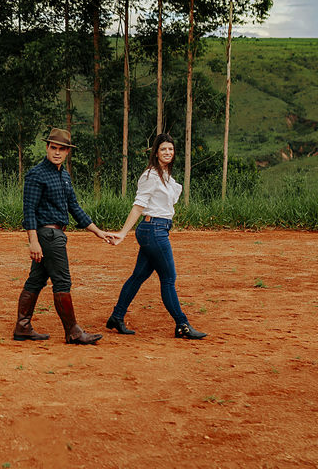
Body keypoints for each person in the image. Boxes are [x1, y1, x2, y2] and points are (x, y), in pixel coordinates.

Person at [15, 127, 113, 345]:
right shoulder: (36, 174)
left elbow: (74, 207)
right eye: (53, 148)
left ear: (68, 151)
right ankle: (73, 332)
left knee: (37, 280)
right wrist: (33, 241)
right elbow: (29, 209)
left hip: (56, 234)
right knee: (62, 282)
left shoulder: (64, 175)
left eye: (62, 149)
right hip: (47, 235)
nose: (57, 152)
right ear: (47, 148)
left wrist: (98, 232)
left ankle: (22, 327)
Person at [106, 133, 208, 340]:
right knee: (168, 279)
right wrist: (123, 233)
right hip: (154, 230)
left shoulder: (166, 176)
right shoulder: (150, 176)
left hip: (157, 229)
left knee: (139, 276)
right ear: (156, 152)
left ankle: (116, 316)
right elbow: (138, 206)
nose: (167, 152)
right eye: (163, 149)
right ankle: (182, 325)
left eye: (170, 149)